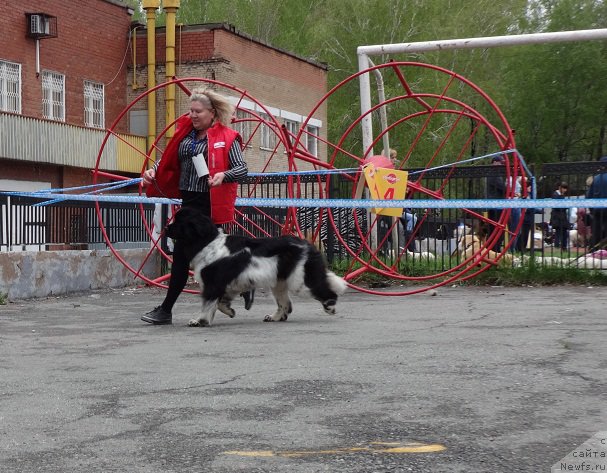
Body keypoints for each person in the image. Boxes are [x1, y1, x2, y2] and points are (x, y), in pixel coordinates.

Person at [141, 87, 249, 325]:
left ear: (212, 113)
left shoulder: (228, 137)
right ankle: (167, 310)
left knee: (204, 258)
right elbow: (168, 159)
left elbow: (242, 169)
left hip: (210, 205)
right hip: (188, 204)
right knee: (184, 256)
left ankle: (167, 310)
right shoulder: (185, 136)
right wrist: (153, 171)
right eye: (190, 111)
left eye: (198, 111)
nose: (193, 115)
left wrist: (223, 175)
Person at [486, 155, 506, 251]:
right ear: (494, 163)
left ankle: (495, 248)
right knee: (495, 229)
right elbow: (502, 187)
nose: (502, 165)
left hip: (497, 205)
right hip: (495, 206)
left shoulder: (496, 174)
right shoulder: (493, 174)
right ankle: (494, 249)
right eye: (501, 163)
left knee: (497, 229)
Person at [586, 156, 607, 249]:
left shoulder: (595, 179)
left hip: (597, 212)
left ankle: (595, 253)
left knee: (596, 235)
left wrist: (592, 211)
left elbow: (588, 197)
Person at [549, 181, 570, 250]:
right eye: (564, 188)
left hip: (562, 217)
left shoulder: (561, 195)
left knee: (564, 232)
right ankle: (557, 246)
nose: (565, 190)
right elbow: (557, 206)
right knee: (558, 232)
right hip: (557, 217)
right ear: (560, 188)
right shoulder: (555, 195)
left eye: (566, 189)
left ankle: (564, 247)